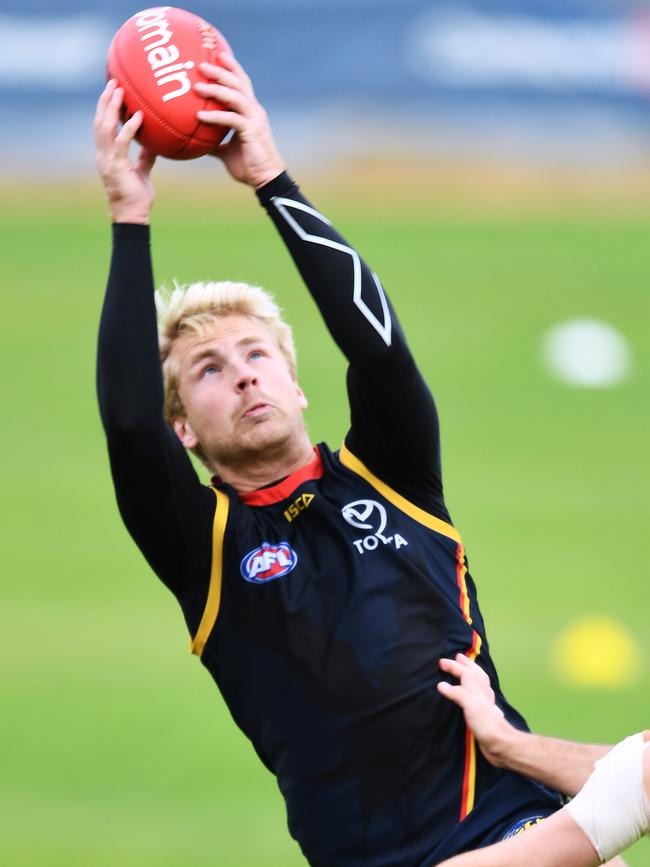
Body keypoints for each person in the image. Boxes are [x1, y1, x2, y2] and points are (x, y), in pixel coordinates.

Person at [94, 53, 648, 866]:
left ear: (296, 382)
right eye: (210, 369)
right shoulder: (204, 545)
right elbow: (128, 423)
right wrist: (128, 211)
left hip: (516, 821)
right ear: (186, 429)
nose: (244, 370)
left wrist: (270, 177)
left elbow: (380, 351)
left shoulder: (392, 474)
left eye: (258, 353)